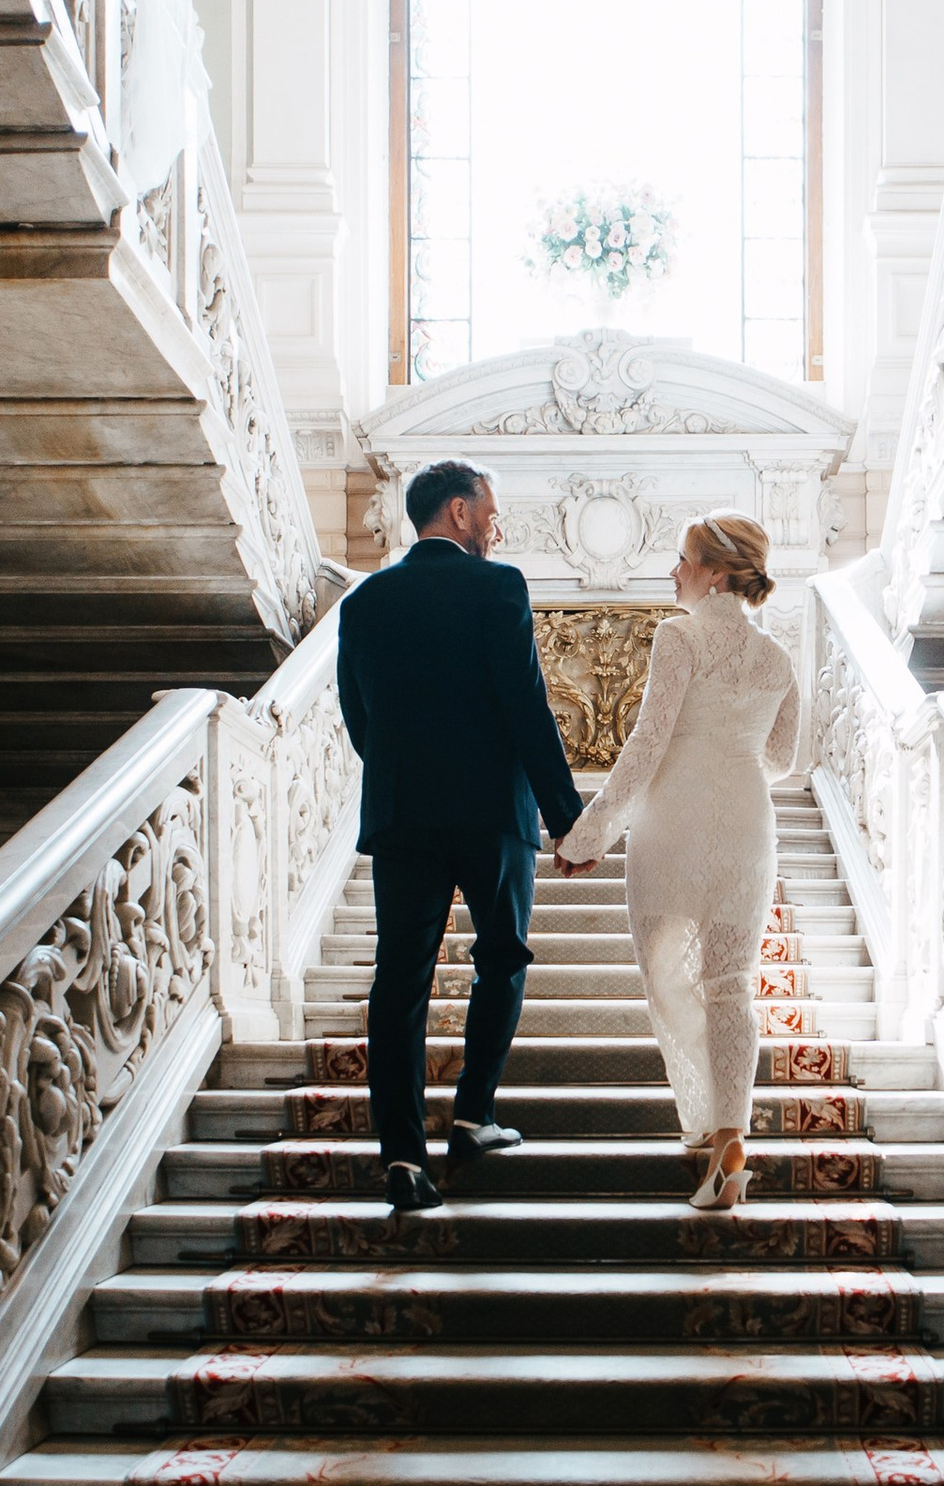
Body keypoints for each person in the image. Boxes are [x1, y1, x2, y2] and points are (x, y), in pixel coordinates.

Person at [334, 458, 587, 1213]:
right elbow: (526, 706)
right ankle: (474, 1116)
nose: (495, 527)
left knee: (399, 979)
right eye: (490, 513)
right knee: (501, 958)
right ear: (459, 511)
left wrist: (403, 778)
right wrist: (568, 820)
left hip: (403, 813)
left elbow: (358, 714)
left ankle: (403, 1159)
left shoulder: (366, 599)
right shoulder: (498, 586)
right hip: (490, 813)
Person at [554, 512, 800, 1210]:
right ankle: (729, 1139)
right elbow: (782, 758)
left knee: (667, 976)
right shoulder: (778, 658)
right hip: (748, 823)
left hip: (675, 824)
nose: (674, 572)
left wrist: (587, 835)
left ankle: (707, 1120)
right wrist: (732, 757)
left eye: (684, 560)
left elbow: (647, 744)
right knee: (732, 982)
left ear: (715, 573)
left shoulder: (678, 636)